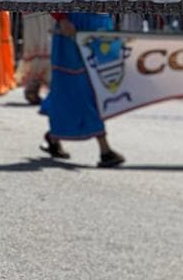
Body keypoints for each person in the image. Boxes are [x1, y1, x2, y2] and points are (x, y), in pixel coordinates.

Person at [39, 11, 124, 166]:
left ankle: (54, 136)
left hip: (101, 25)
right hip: (74, 24)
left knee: (99, 85)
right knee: (80, 87)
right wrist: (62, 18)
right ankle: (104, 149)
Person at [17, 11, 52, 104]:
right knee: (37, 48)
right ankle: (32, 89)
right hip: (33, 12)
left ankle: (34, 89)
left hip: (45, 11)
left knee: (44, 48)